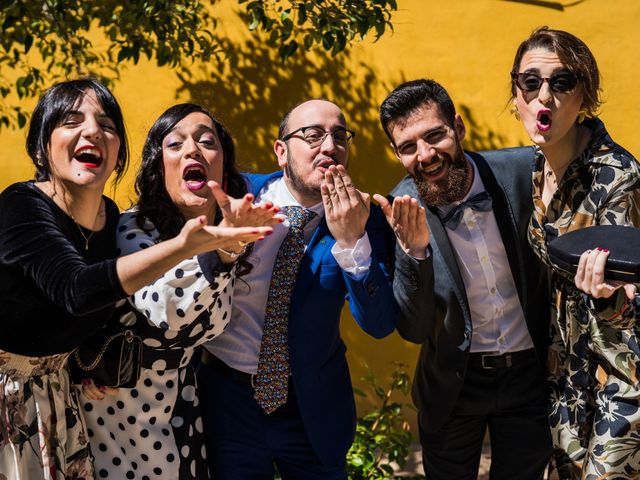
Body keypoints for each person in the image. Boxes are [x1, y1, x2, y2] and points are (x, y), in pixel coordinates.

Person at [0, 80, 271, 480]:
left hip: (63, 395)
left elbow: (99, 306)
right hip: (16, 395)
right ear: (42, 145)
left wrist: (83, 358)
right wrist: (190, 248)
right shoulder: (23, 205)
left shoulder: (106, 218)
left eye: (106, 125)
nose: (92, 131)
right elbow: (77, 289)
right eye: (72, 120)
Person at [197, 99, 398, 479]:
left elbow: (379, 322)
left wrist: (353, 242)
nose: (329, 146)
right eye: (313, 135)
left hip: (310, 409)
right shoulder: (236, 197)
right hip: (227, 400)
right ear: (281, 151)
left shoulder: (365, 219)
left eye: (340, 136)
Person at [79, 103, 281, 479]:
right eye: (175, 144)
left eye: (207, 141)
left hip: (182, 411)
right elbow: (165, 308)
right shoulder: (133, 229)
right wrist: (221, 252)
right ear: (159, 165)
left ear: (222, 164)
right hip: (119, 415)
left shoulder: (230, 234)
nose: (193, 150)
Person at [375, 79, 552, 479]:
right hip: (452, 385)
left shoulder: (525, 172)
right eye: (407, 147)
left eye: (435, 135)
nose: (425, 156)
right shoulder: (400, 210)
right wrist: (414, 251)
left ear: (458, 126)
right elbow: (415, 329)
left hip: (530, 376)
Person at [510, 27, 640, 478]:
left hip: (623, 379)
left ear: (583, 95)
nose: (545, 94)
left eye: (562, 82)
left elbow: (631, 296)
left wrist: (608, 295)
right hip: (566, 376)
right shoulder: (537, 165)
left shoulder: (619, 177)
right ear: (517, 94)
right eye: (531, 81)